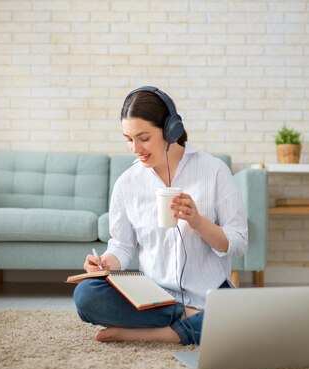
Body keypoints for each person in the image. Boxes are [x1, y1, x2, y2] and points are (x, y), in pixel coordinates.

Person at [73, 86, 248, 345]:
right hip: (154, 296)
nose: (135, 148)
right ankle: (191, 319)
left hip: (209, 291)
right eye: (128, 139)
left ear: (170, 130)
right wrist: (105, 264)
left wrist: (198, 222)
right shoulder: (127, 183)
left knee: (244, 316)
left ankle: (155, 333)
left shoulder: (214, 171)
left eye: (143, 138)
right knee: (86, 295)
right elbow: (122, 246)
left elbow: (238, 243)